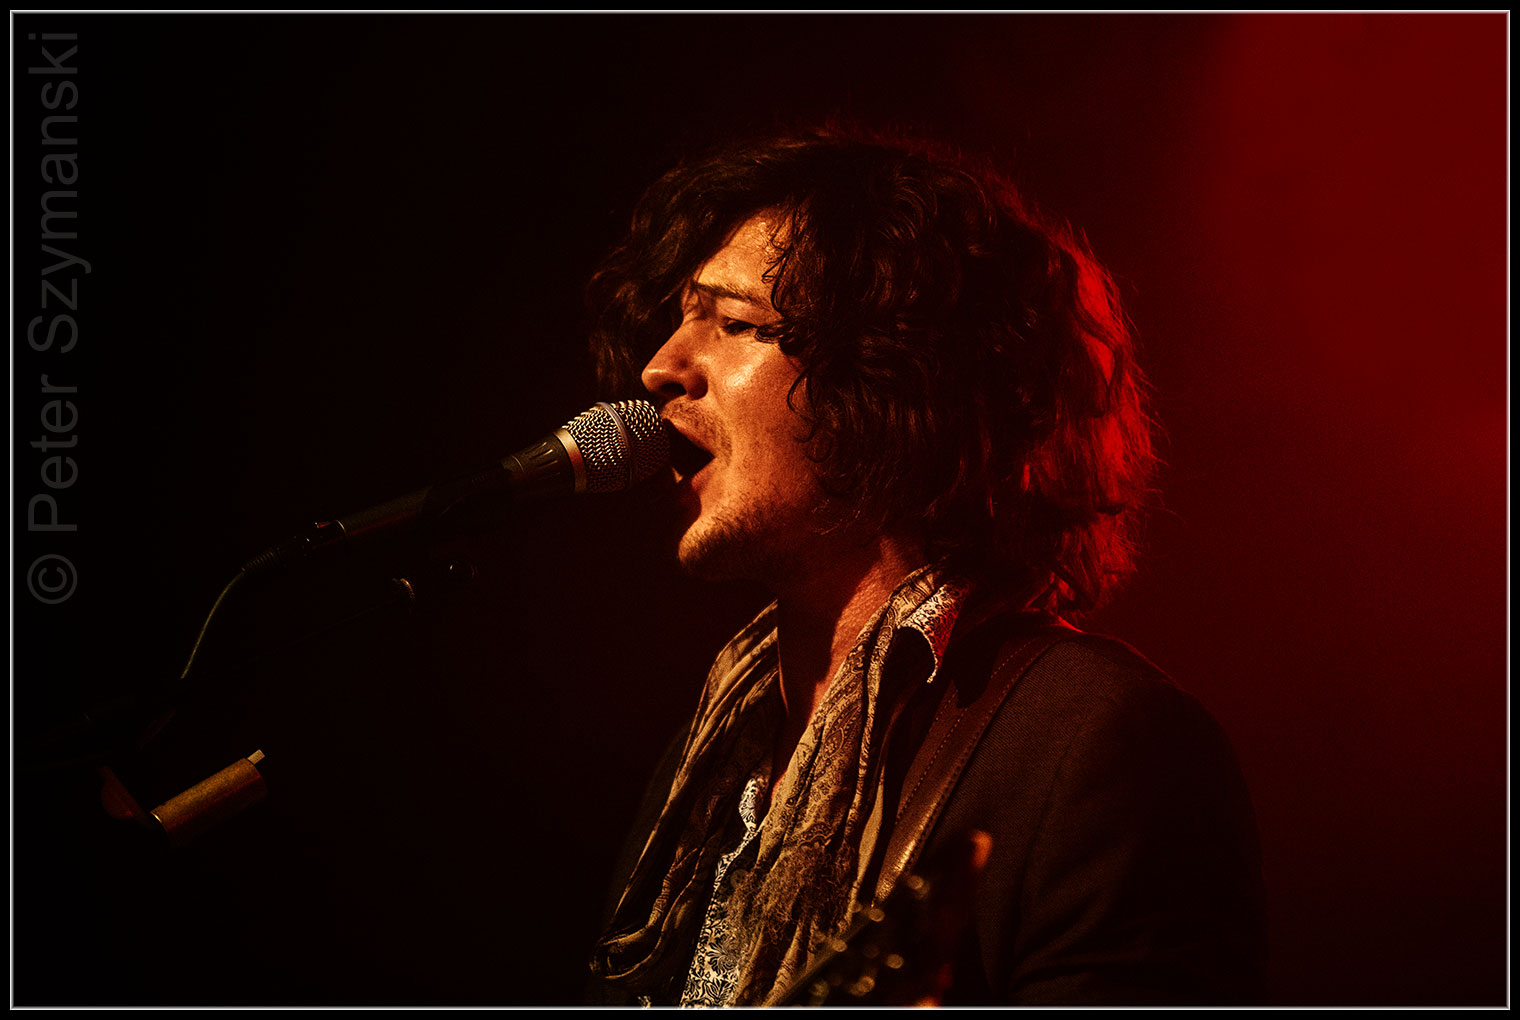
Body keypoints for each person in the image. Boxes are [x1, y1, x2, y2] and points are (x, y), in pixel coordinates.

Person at [584, 129, 1266, 1006]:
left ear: (897, 375)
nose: (660, 368)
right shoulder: (706, 759)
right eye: (681, 318)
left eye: (736, 323)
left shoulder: (1099, 744)